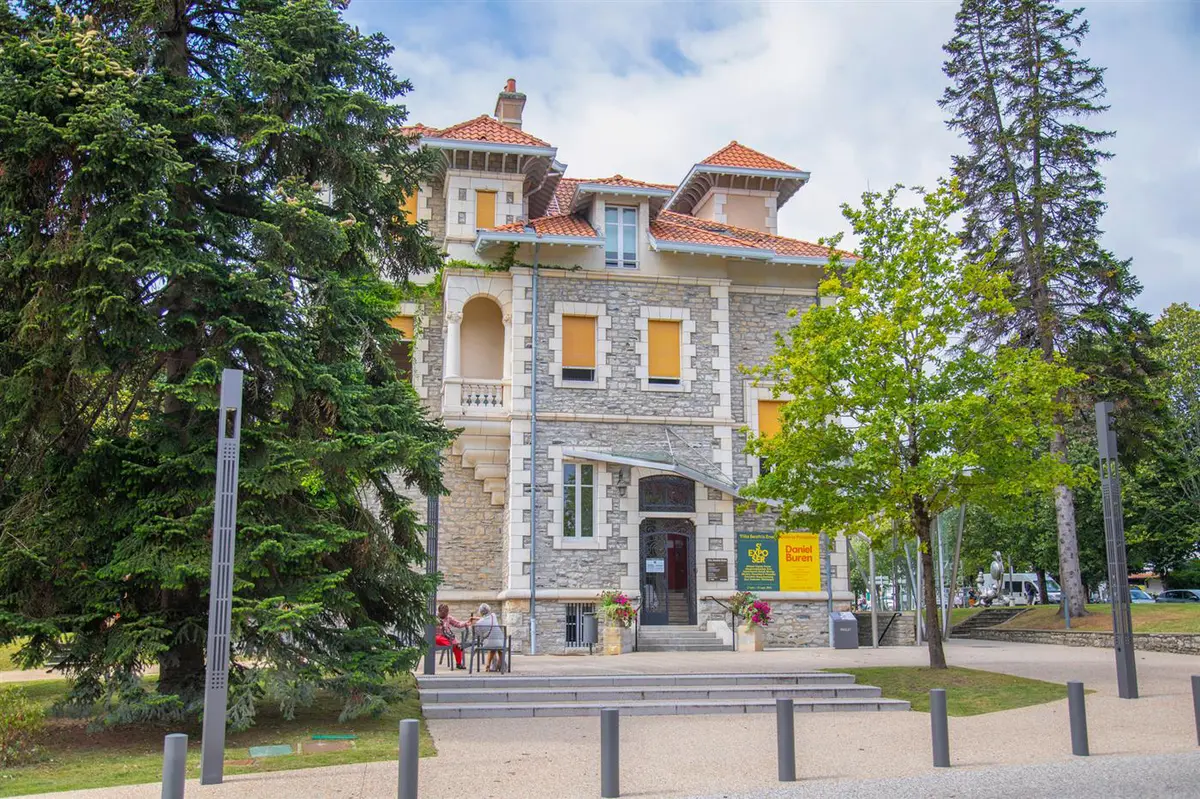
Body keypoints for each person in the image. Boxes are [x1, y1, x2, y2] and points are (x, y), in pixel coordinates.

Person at [436, 603, 471, 669]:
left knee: (457, 646)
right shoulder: (434, 618)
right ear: (439, 611)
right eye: (443, 612)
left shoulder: (448, 617)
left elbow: (458, 624)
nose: (445, 614)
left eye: (447, 612)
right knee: (439, 638)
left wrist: (466, 623)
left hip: (447, 637)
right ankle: (452, 644)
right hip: (436, 637)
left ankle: (459, 664)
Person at [472, 603, 506, 672]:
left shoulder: (479, 623)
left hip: (489, 643)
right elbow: (487, 618)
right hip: (502, 642)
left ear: (480, 612)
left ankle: (489, 666)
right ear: (489, 610)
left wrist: (474, 622)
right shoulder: (493, 616)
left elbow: (479, 636)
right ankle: (502, 665)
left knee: (491, 644)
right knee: (498, 645)